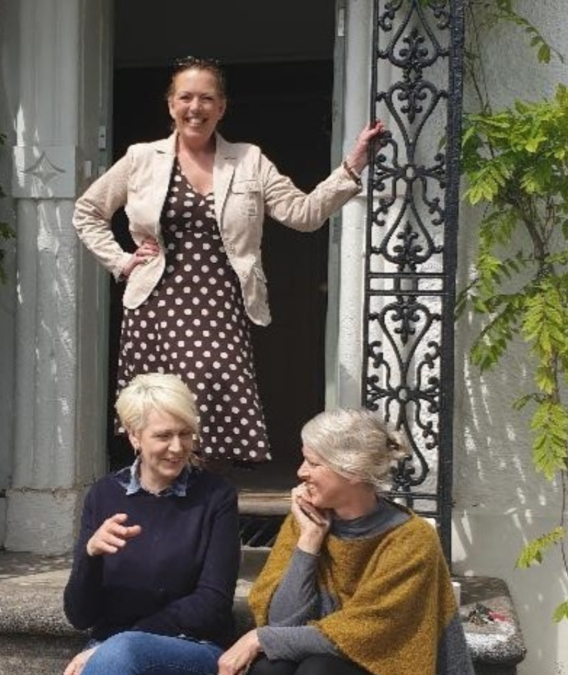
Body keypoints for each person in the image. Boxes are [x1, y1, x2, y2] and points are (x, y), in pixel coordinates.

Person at [73, 56, 389, 464]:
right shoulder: (141, 158)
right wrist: (120, 260)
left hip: (220, 304)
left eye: (207, 99)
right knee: (165, 412)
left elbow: (304, 214)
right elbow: (88, 211)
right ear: (171, 104)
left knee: (209, 403)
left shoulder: (248, 160)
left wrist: (353, 164)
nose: (195, 108)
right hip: (156, 303)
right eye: (185, 97)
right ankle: (166, 500)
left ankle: (203, 500)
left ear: (221, 108)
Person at [217, 409, 486, 675]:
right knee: (270, 672)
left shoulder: (411, 539)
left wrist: (258, 637)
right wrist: (307, 543)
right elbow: (282, 620)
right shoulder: (304, 519)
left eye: (313, 462)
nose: (301, 471)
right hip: (322, 672)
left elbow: (368, 631)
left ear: (352, 470)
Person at [11, 373, 240, 675]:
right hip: (117, 669)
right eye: (163, 435)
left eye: (185, 433)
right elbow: (79, 614)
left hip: (195, 667)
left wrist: (112, 647)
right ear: (134, 436)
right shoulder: (105, 496)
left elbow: (213, 605)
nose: (178, 447)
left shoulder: (215, 497)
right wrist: (90, 558)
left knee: (125, 651)